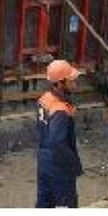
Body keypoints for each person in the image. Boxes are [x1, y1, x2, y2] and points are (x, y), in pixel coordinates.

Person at [35, 59, 84, 208]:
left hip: (44, 160)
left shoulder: (45, 99)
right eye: (71, 81)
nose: (75, 84)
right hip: (59, 165)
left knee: (45, 203)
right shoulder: (60, 110)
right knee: (66, 204)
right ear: (60, 83)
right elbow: (57, 142)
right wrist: (73, 163)